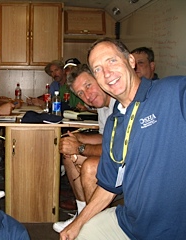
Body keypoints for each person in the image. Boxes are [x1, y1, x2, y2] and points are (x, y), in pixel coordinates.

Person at [60, 37, 186, 240]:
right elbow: (109, 186)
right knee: (80, 234)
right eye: (98, 69)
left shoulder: (173, 92)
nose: (107, 73)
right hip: (130, 223)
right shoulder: (113, 123)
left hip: (172, 230)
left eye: (111, 61)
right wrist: (78, 223)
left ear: (130, 61)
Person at [53, 64, 116, 233]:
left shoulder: (118, 102)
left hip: (127, 162)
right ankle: (82, 212)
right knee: (68, 152)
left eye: (88, 85)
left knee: (89, 167)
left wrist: (81, 147)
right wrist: (78, 138)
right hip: (115, 157)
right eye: (81, 93)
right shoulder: (102, 106)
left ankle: (96, 229)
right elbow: (105, 138)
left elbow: (115, 148)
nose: (87, 95)